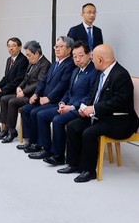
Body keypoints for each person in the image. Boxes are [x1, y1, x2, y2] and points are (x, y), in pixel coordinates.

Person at [58, 44, 138, 183]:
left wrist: (93, 109)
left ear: (100, 59)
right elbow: (94, 97)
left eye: (93, 58)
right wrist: (85, 109)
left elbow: (118, 102)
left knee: (89, 133)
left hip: (120, 120)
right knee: (73, 125)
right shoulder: (103, 73)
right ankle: (74, 164)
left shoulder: (121, 75)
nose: (92, 60)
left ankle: (89, 171)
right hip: (102, 115)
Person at [28, 41, 98, 163]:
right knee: (42, 115)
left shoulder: (94, 72)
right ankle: (46, 148)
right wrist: (62, 102)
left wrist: (71, 107)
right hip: (67, 105)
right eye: (75, 56)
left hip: (80, 109)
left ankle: (58, 155)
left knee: (58, 120)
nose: (77, 59)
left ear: (89, 55)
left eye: (80, 56)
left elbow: (90, 96)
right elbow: (68, 91)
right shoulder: (76, 70)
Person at [17, 36, 76, 152]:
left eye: (61, 47)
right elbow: (43, 81)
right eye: (56, 46)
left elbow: (62, 85)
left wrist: (49, 98)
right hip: (44, 98)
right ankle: (32, 141)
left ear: (69, 49)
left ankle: (44, 146)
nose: (57, 49)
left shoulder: (70, 64)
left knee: (37, 113)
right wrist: (36, 94)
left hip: (56, 100)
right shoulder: (55, 63)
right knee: (26, 109)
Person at [0, 40, 51, 143]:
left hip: (34, 96)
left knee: (12, 102)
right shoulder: (32, 62)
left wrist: (24, 92)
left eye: (29, 55)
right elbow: (25, 78)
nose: (28, 58)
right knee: (4, 99)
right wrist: (19, 87)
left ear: (36, 53)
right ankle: (6, 128)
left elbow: (39, 83)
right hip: (26, 92)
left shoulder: (45, 64)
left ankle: (12, 131)